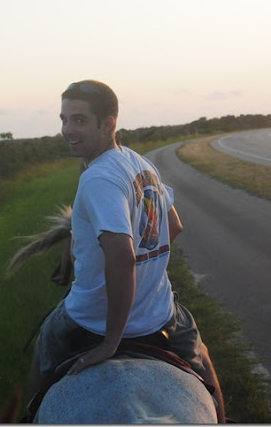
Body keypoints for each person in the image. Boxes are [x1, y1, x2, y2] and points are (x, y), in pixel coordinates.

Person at [28, 79, 225, 422]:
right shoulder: (139, 163)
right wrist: (149, 265)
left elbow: (121, 257)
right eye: (64, 119)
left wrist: (110, 343)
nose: (67, 130)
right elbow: (174, 226)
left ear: (108, 123)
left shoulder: (98, 178)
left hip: (90, 319)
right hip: (159, 313)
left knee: (43, 348)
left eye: (79, 120)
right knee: (203, 362)